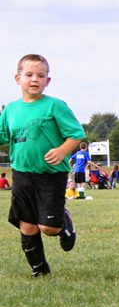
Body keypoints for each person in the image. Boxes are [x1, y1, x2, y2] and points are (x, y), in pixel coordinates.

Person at [0, 54, 83, 277]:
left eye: (41, 75)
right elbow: (2, 135)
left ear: (48, 80)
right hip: (22, 174)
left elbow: (76, 135)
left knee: (49, 228)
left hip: (51, 174)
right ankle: (40, 271)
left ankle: (63, 219)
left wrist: (63, 150)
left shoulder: (54, 106)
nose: (34, 79)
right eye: (29, 74)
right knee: (27, 225)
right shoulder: (10, 110)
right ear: (18, 78)